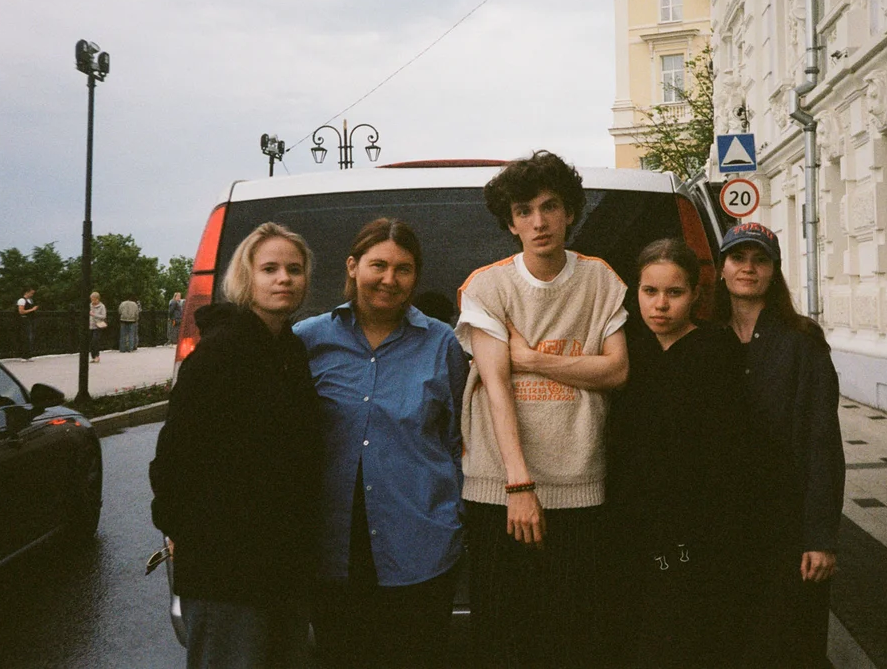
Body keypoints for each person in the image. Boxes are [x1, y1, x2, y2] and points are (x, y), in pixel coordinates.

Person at [455, 150, 629, 667]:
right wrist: (519, 487)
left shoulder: (600, 280)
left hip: (578, 480)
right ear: (511, 223)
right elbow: (496, 387)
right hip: (500, 486)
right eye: (524, 211)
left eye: (550, 206)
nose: (539, 221)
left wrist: (531, 359)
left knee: (573, 632)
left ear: (569, 212)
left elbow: (616, 371)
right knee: (502, 633)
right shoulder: (488, 285)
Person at [294, 217, 467, 668]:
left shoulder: (440, 342)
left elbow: (460, 440)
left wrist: (454, 517)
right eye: (378, 265)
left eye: (403, 269)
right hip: (332, 546)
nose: (390, 279)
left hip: (421, 543)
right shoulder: (308, 340)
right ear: (353, 267)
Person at [150, 222, 322, 669]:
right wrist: (184, 534)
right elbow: (173, 461)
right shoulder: (218, 355)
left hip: (282, 566)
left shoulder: (289, 351)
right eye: (269, 269)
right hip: (226, 573)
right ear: (246, 277)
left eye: (294, 269)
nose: (284, 278)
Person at [604, 239, 752, 667]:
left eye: (674, 292)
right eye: (650, 291)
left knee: (686, 635)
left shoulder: (718, 349)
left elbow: (731, 447)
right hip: (631, 520)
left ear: (695, 294)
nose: (661, 304)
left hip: (696, 524)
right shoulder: (627, 351)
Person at [717, 223, 845, 667]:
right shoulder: (707, 338)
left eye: (760, 260)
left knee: (791, 646)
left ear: (774, 271)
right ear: (721, 268)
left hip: (786, 526)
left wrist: (821, 537)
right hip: (726, 526)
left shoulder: (802, 341)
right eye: (738, 258)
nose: (748, 268)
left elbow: (822, 444)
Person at [17, 288, 38, 359]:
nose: (32, 295)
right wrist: (32, 309)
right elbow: (21, 311)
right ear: (26, 292)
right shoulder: (22, 300)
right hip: (24, 320)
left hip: (30, 320)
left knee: (30, 337)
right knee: (25, 337)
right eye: (31, 293)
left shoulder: (30, 301)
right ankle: (24, 355)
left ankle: (29, 355)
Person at [89, 292, 107, 363]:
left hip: (98, 326)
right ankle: (93, 357)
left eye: (93, 299)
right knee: (91, 342)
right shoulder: (90, 305)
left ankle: (97, 356)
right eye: (91, 299)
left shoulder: (102, 306)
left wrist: (94, 314)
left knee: (95, 341)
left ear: (97, 299)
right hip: (91, 325)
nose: (92, 301)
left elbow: (103, 316)